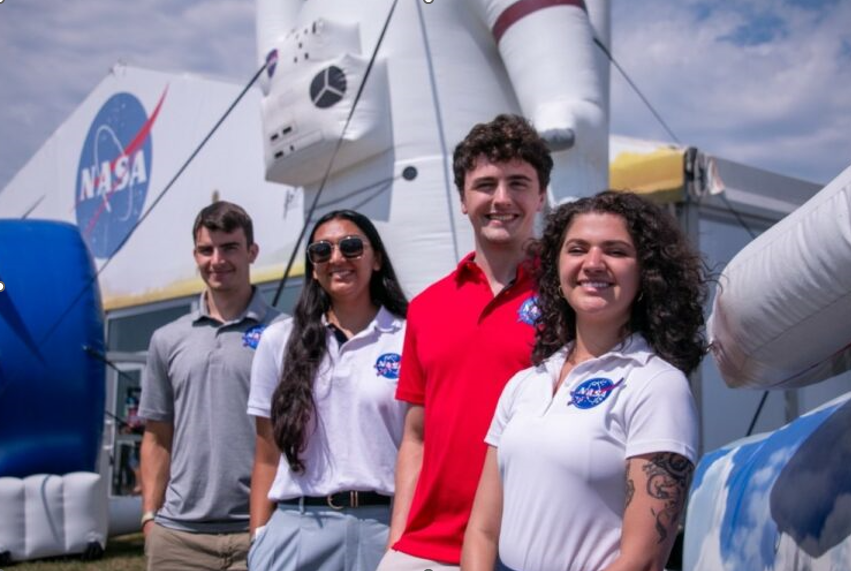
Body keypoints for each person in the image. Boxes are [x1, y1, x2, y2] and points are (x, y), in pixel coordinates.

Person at [461, 191, 708, 571]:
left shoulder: (657, 385)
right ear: (557, 271)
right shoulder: (524, 383)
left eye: (615, 251)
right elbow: (482, 530)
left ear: (646, 274)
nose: (593, 263)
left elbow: (640, 561)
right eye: (577, 249)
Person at [377, 114, 552, 571]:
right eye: (485, 184)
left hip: (530, 551)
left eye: (518, 183)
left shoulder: (570, 302)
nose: (501, 199)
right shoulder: (427, 307)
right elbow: (415, 436)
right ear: (461, 199)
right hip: (426, 551)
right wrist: (398, 540)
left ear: (541, 195)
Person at [247, 209, 409, 571]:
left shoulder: (411, 337)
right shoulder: (278, 341)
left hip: (386, 528)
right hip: (299, 528)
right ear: (313, 265)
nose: (337, 258)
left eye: (351, 246)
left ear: (377, 258)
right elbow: (265, 455)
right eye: (322, 251)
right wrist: (259, 536)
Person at [139, 201, 282, 571]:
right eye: (207, 249)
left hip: (262, 529)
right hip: (178, 537)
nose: (217, 260)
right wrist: (150, 518)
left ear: (252, 252)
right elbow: (157, 436)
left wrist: (271, 523)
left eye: (230, 247)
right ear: (196, 255)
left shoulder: (286, 334)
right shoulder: (167, 339)